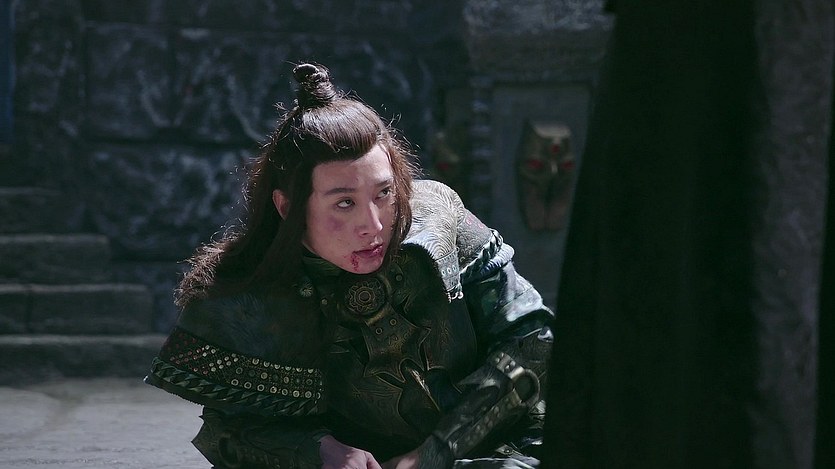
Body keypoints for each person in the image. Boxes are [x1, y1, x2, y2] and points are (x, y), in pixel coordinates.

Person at [145, 62, 554, 469]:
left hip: (504, 444)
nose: (373, 226)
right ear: (287, 207)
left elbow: (533, 339)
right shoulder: (249, 293)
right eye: (345, 203)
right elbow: (228, 430)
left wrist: (437, 451)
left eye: (383, 193)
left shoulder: (439, 218)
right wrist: (320, 450)